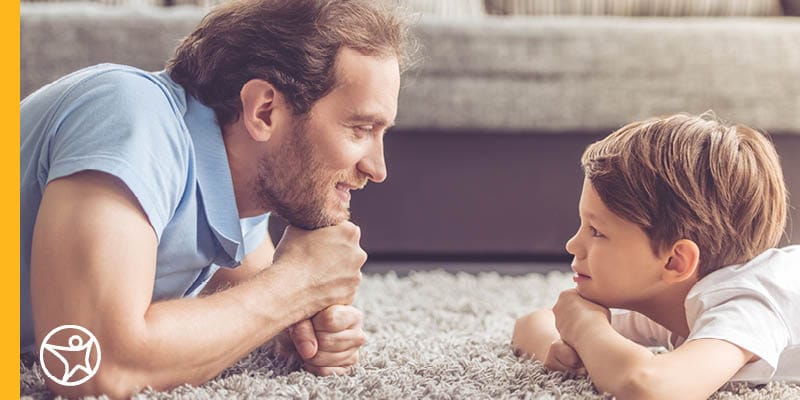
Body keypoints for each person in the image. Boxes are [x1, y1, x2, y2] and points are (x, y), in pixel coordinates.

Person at [20, 0, 413, 397]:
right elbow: (91, 366)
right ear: (264, 111)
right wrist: (299, 284)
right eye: (360, 129)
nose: (378, 169)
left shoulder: (240, 194)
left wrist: (301, 327)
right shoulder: (128, 115)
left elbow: (262, 307)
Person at [511, 113, 800, 399]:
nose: (572, 245)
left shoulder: (746, 303)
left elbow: (649, 388)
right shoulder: (669, 298)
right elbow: (531, 323)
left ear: (675, 262)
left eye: (596, 231)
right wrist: (562, 347)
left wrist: (585, 328)